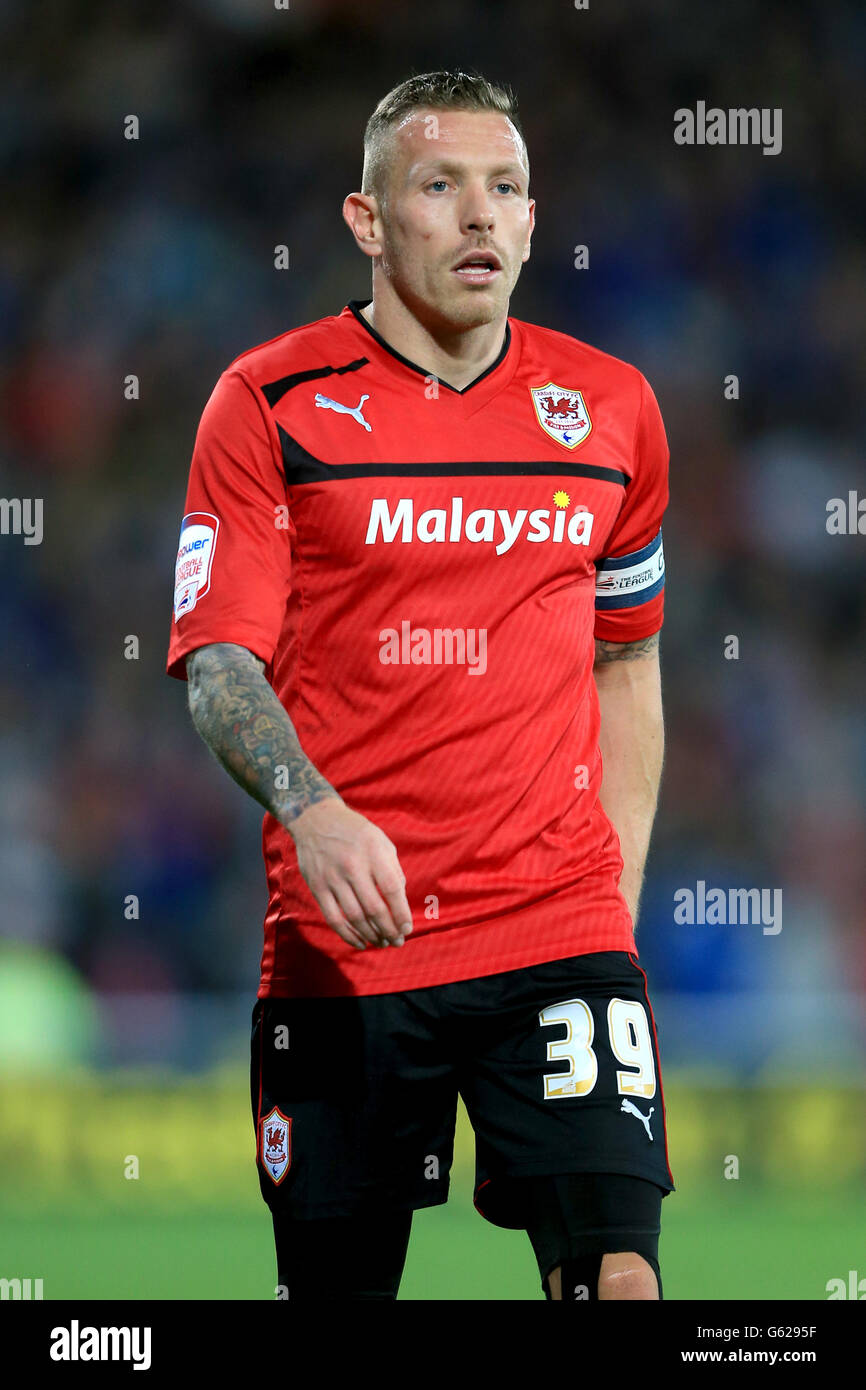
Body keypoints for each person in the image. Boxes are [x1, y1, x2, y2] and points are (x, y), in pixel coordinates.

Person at [166, 69, 673, 1302]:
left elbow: (628, 661)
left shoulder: (610, 412)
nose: (479, 216)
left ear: (535, 218)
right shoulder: (269, 404)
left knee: (618, 1280)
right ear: (367, 219)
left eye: (505, 188)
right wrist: (310, 805)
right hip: (347, 952)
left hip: (556, 928)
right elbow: (219, 664)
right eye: (438, 186)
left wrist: (612, 905)